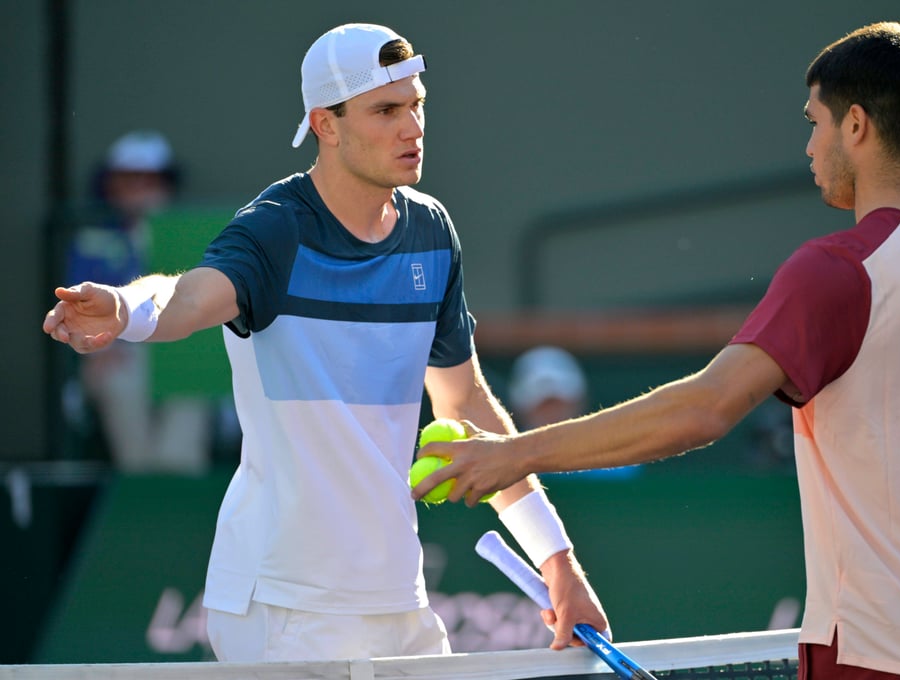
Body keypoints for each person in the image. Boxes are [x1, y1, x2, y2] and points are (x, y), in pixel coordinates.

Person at [416, 22, 900, 679]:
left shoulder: (840, 269)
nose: (810, 146)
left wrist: (514, 454)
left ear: (856, 126)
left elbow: (704, 410)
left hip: (873, 652)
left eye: (815, 122)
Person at [43, 23, 607, 662]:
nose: (412, 127)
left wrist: (559, 562)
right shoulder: (274, 229)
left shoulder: (432, 231)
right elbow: (188, 297)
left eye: (417, 104)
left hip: (400, 602)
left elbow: (466, 403)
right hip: (279, 609)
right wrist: (124, 307)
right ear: (325, 125)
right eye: (386, 110)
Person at [62, 130, 213, 474]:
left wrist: (152, 228)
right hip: (116, 349)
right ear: (110, 185)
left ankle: (177, 486)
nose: (139, 189)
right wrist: (95, 348)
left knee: (193, 386)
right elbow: (75, 303)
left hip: (181, 347)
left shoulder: (188, 235)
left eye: (150, 180)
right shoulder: (91, 238)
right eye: (128, 180)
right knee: (119, 379)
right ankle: (138, 484)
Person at [508, 346, 639, 478]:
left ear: (580, 401)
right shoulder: (508, 463)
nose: (553, 413)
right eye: (543, 406)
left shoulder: (615, 463)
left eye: (560, 404)